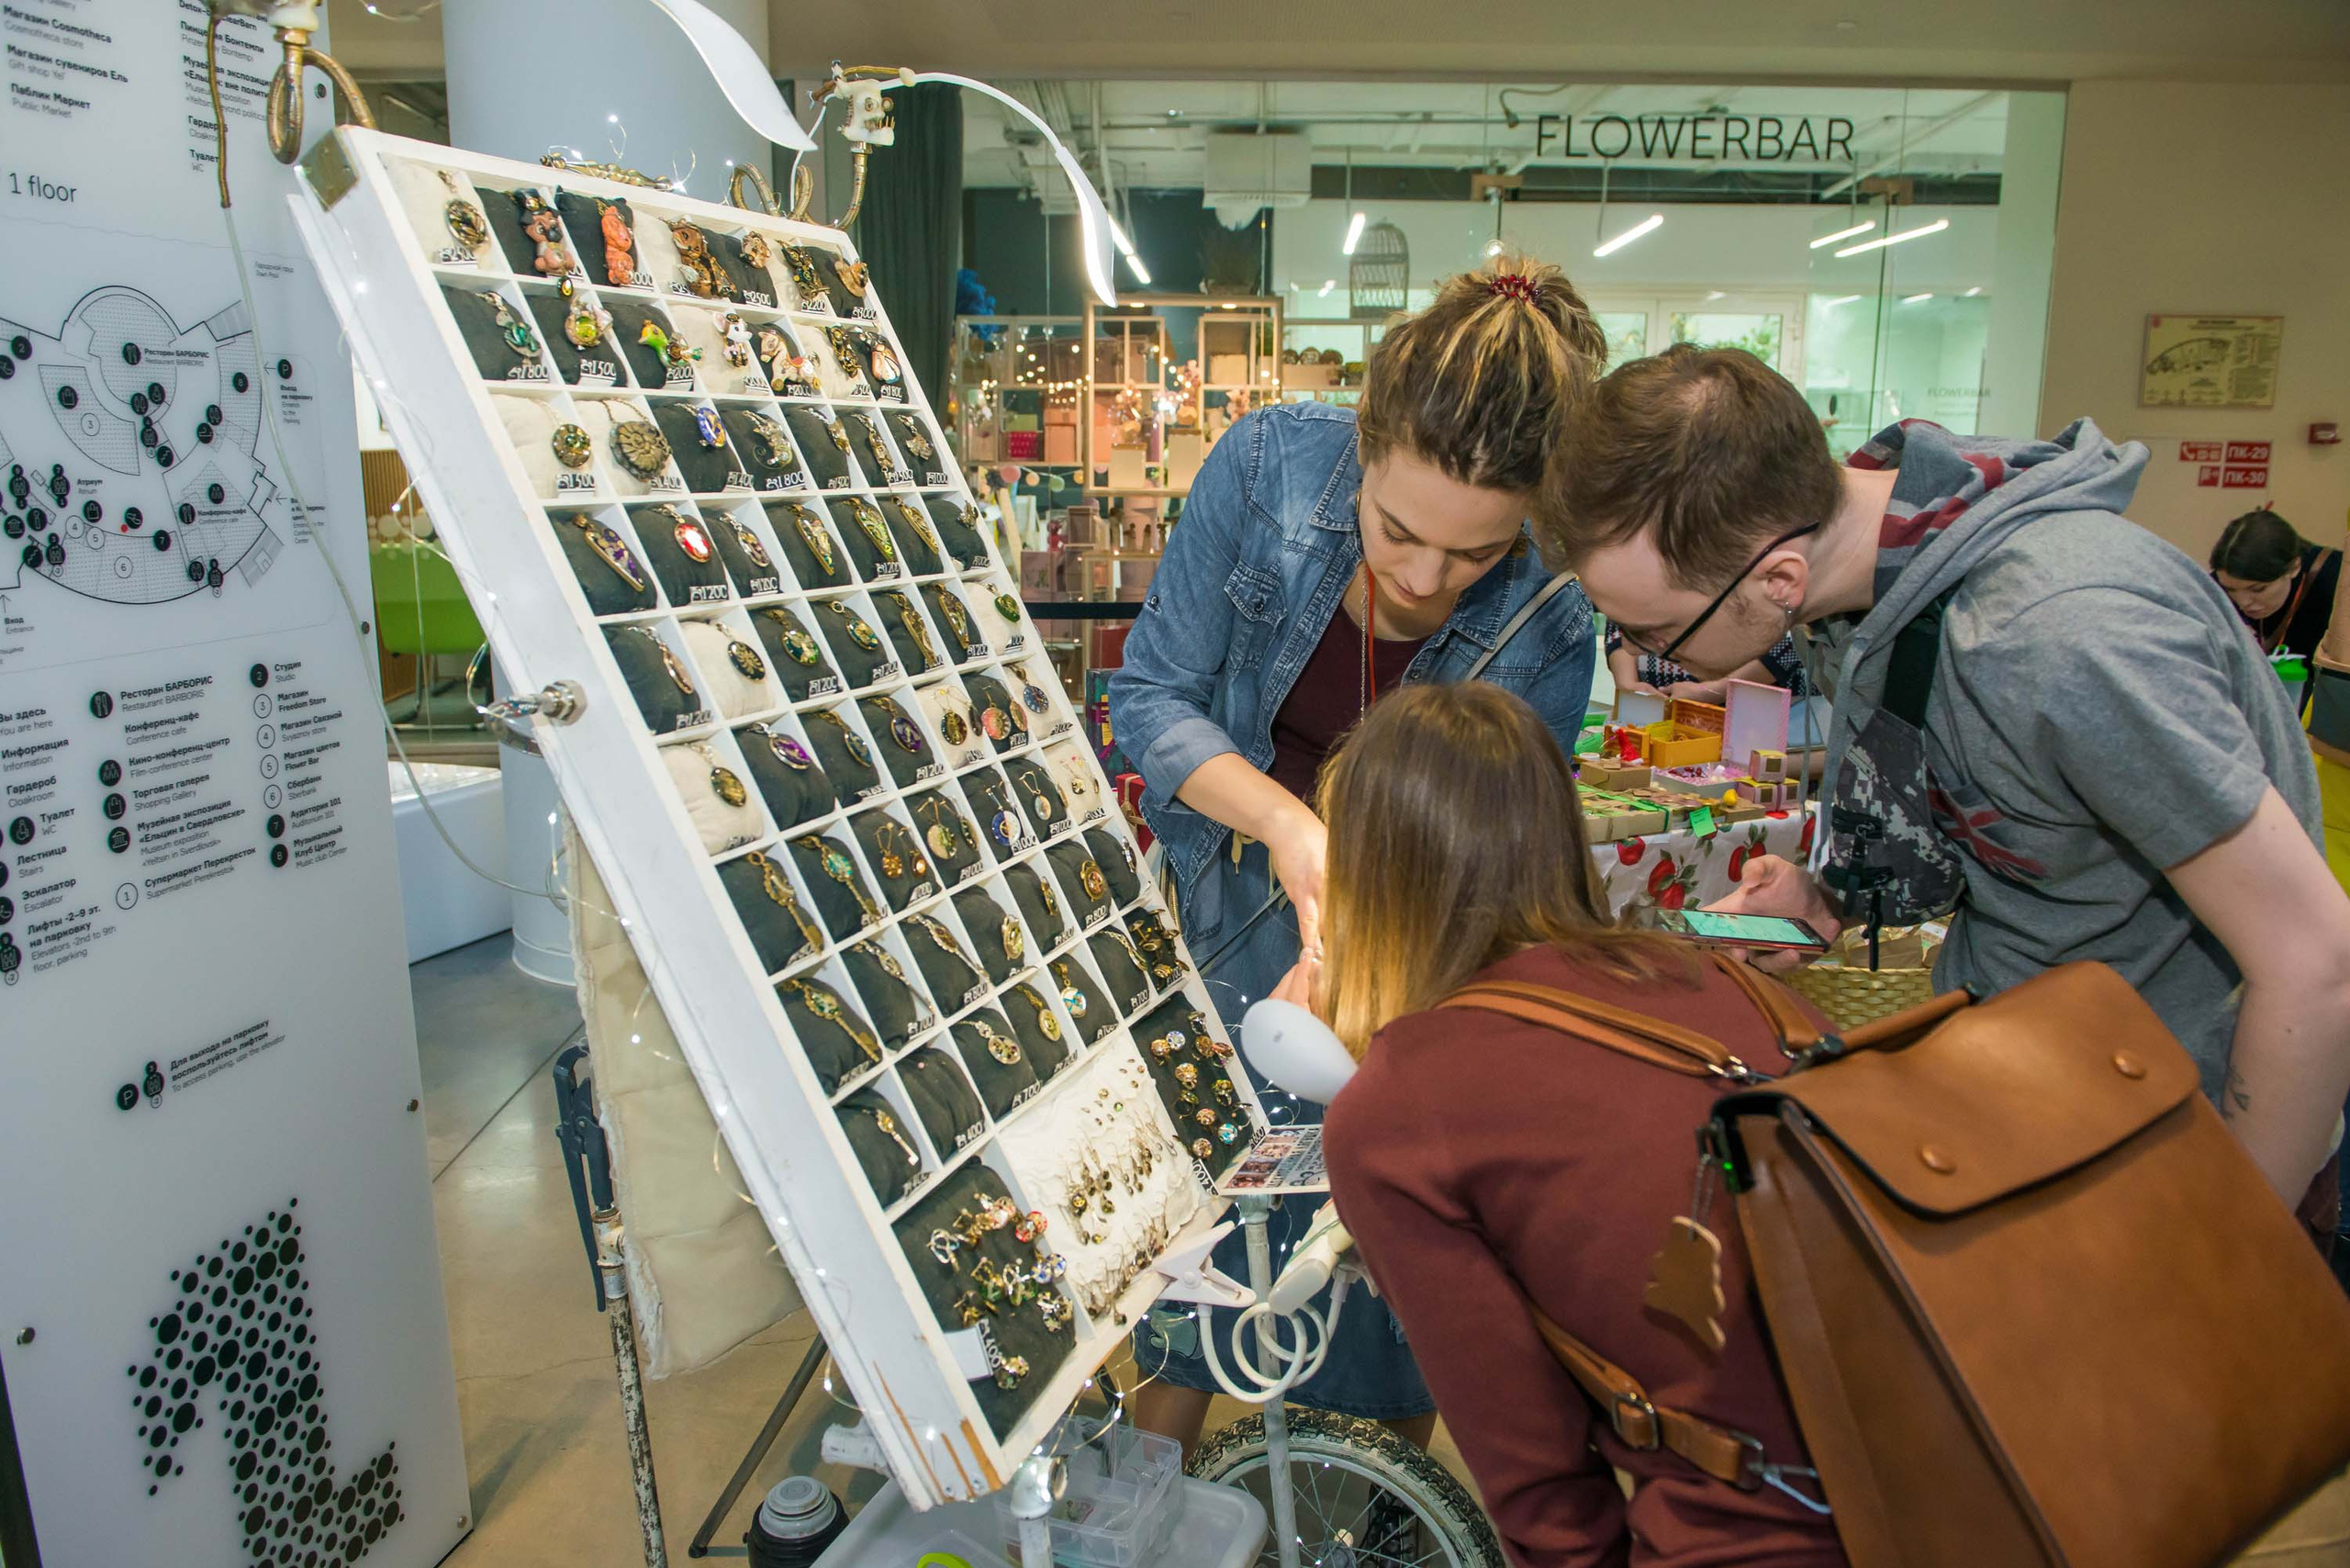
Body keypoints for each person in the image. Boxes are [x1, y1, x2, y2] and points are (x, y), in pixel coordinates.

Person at [1544, 344, 2350, 1214]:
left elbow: (2315, 963)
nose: (1652, 659)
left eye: (1658, 632)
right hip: (2029, 1107)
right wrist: (1827, 900)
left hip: (2172, 1169)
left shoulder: (2062, 638)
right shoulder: (1868, 586)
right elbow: (1998, 814)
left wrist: (2242, 1236)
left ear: (1778, 579)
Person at [1107, 255, 1606, 1457]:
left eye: (1475, 556)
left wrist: (1367, 926)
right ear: (1364, 448)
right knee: (1196, 1239)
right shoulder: (1268, 465)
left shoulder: (1555, 608)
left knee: (1385, 1254)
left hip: (1407, 944)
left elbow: (1494, 857)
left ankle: (1375, 1503)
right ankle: (1145, 1498)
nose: (1426, 581)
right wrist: (1287, 825)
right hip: (1216, 903)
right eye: (1397, 532)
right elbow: (1152, 699)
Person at [1312, 682, 1846, 1568]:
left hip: (1771, 1526)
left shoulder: (1396, 1110)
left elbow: (1544, 1495)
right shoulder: (1708, 971)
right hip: (1969, 1451)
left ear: (1373, 876)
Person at [2210, 507, 2341, 663]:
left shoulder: (2336, 580)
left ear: (2294, 567)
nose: (2243, 603)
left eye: (2258, 589)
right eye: (2229, 590)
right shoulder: (2214, 586)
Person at [1605, 619, 1809, 703]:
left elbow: (1790, 640)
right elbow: (1618, 620)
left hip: (1750, 706)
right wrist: (1628, 683)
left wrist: (1715, 689)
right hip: (1657, 701)